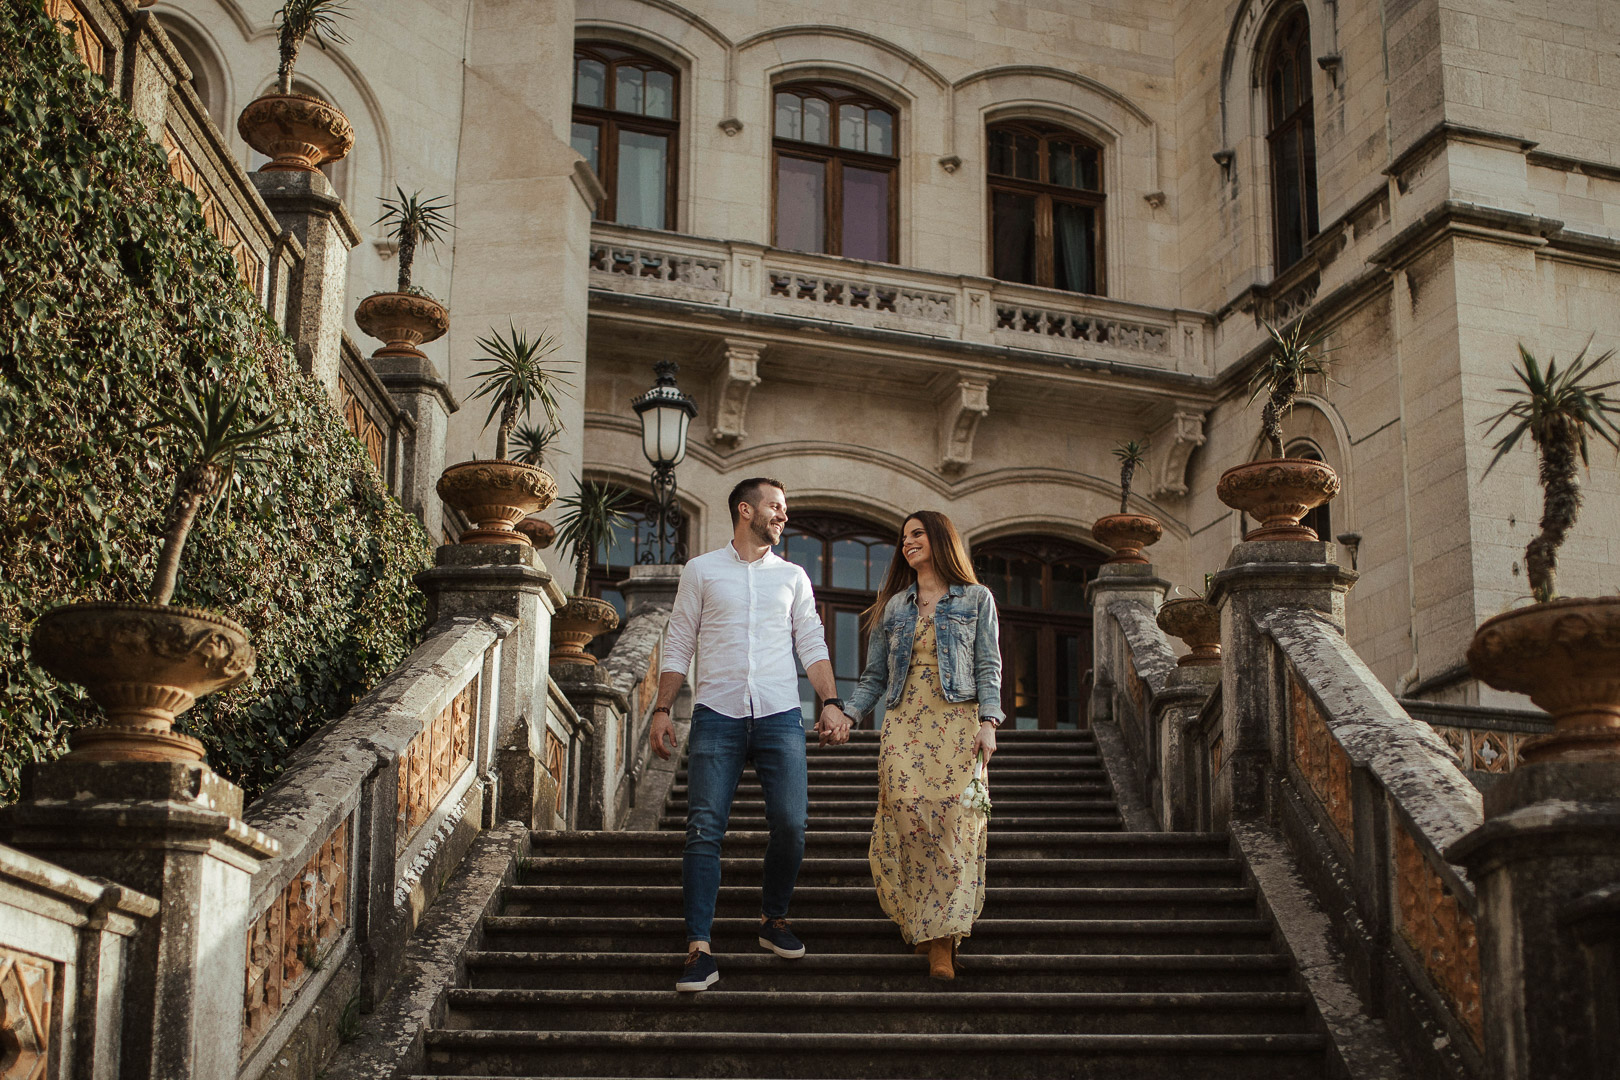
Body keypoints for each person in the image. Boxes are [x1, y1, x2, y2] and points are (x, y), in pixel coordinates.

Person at [649, 477, 853, 993]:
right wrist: (662, 709)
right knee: (703, 828)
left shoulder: (793, 577)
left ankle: (773, 918)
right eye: (776, 507)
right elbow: (678, 641)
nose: (784, 516)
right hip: (717, 713)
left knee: (791, 823)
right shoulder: (701, 571)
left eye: (785, 508)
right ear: (746, 510)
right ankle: (699, 948)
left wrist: (830, 702)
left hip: (781, 713)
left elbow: (811, 640)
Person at [842, 510, 1003, 980]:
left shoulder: (977, 599)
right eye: (904, 537)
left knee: (953, 826)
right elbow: (875, 676)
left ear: (939, 538)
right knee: (910, 819)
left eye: (916, 534)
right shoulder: (895, 606)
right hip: (904, 723)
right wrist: (848, 714)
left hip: (957, 722)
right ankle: (924, 921)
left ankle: (941, 944)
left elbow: (988, 664)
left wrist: (989, 723)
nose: (907, 542)